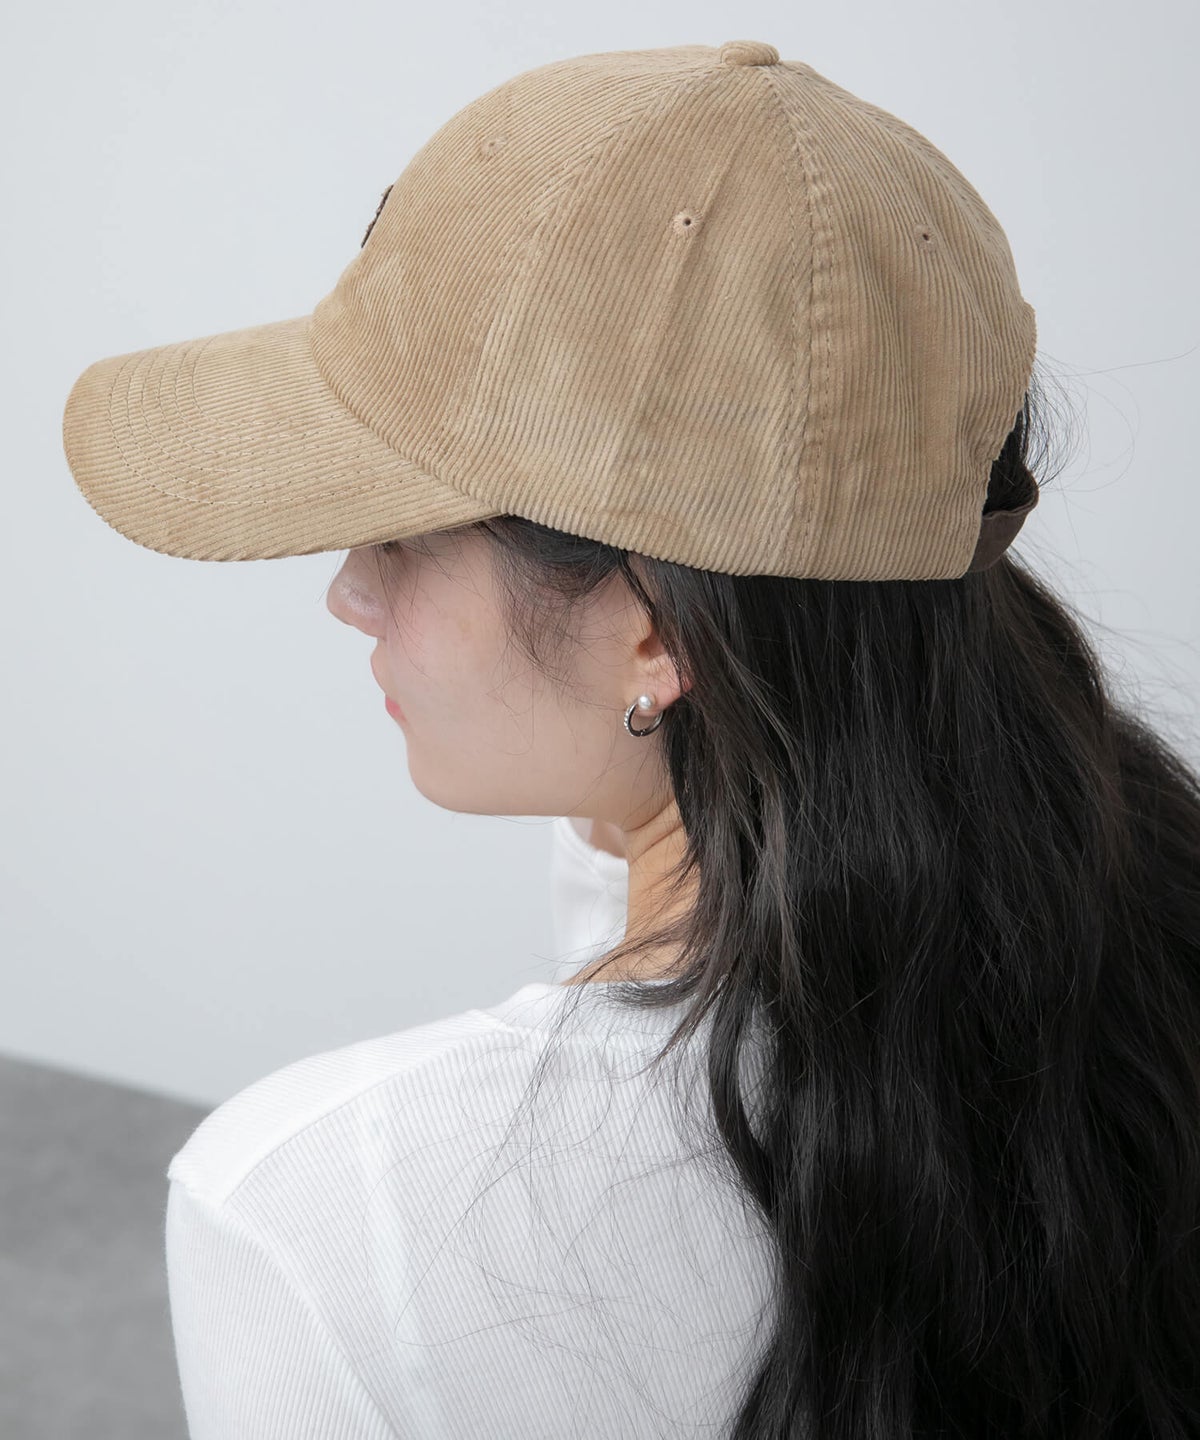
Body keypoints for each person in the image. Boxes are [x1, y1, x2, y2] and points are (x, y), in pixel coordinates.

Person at [61, 39, 1200, 1440]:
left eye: (400, 531)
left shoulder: (316, 1216)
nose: (349, 590)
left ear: (657, 631)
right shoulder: (1133, 937)